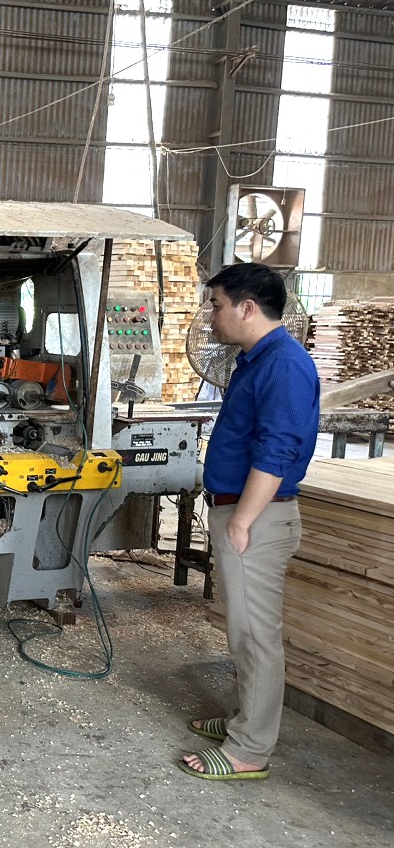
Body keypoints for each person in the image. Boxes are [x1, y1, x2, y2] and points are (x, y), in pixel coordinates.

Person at [181, 262, 320, 781]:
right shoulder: (256, 359)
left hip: (256, 516)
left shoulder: (284, 364)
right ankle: (246, 720)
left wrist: (241, 522)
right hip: (241, 510)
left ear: (246, 307)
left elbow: (277, 451)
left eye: (216, 306)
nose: (211, 318)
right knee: (242, 631)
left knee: (256, 637)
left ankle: (249, 750)